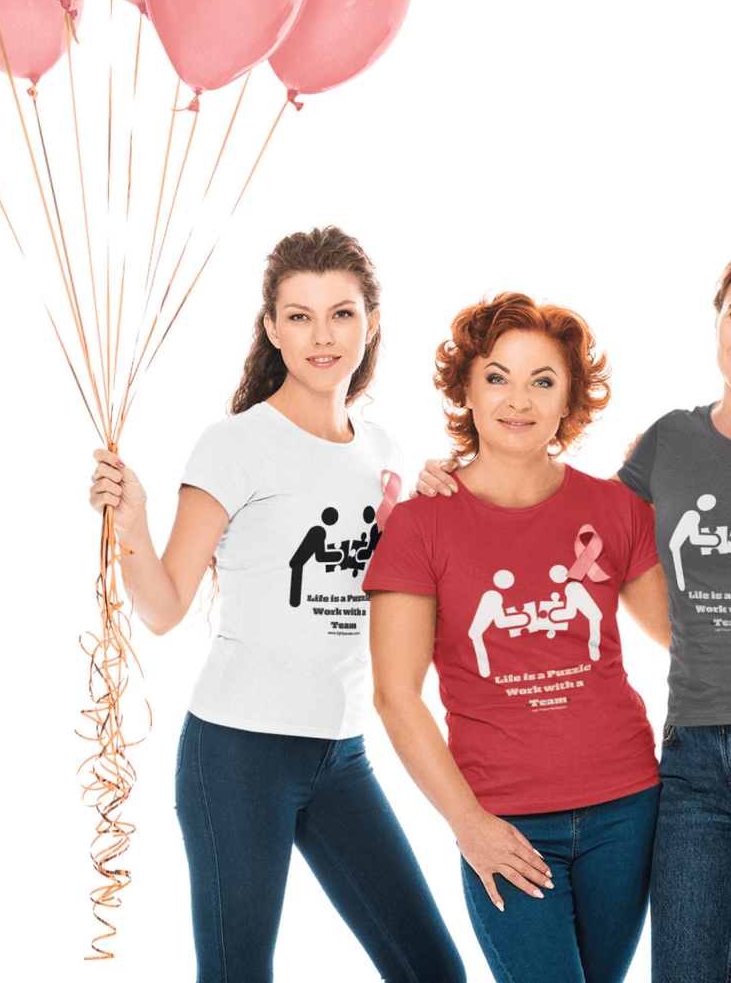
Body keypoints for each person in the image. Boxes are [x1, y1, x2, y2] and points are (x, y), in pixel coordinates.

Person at [415, 236, 731, 982]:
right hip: (694, 753)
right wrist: (452, 472)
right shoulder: (667, 444)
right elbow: (569, 522)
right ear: (716, 319)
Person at [87, 226, 462, 983]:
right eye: (299, 315)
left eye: (341, 313)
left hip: (342, 755)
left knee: (434, 972)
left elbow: (404, 611)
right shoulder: (234, 445)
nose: (322, 336)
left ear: (372, 321)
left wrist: (438, 518)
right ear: (271, 327)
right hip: (237, 754)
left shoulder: (386, 448)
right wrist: (132, 521)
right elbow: (162, 609)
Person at [365, 294, 672, 983]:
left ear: (570, 400)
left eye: (543, 380)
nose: (518, 399)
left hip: (627, 807)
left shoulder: (615, 508)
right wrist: (468, 824)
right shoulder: (421, 524)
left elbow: (688, 637)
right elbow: (395, 695)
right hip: (504, 819)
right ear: (465, 390)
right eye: (498, 376)